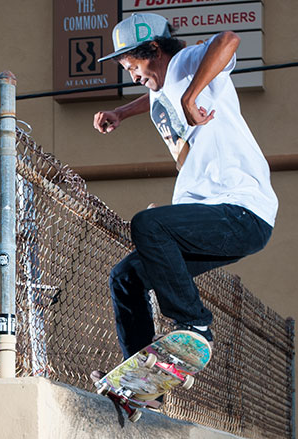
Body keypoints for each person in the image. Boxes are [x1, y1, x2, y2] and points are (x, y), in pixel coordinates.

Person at [92, 12, 277, 367]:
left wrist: (193, 97)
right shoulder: (161, 93)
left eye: (134, 66)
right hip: (213, 215)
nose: (133, 76)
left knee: (149, 224)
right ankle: (143, 377)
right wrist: (121, 112)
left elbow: (228, 41)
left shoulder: (185, 62)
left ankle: (195, 323)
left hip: (241, 208)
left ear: (156, 50)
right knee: (126, 276)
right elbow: (157, 96)